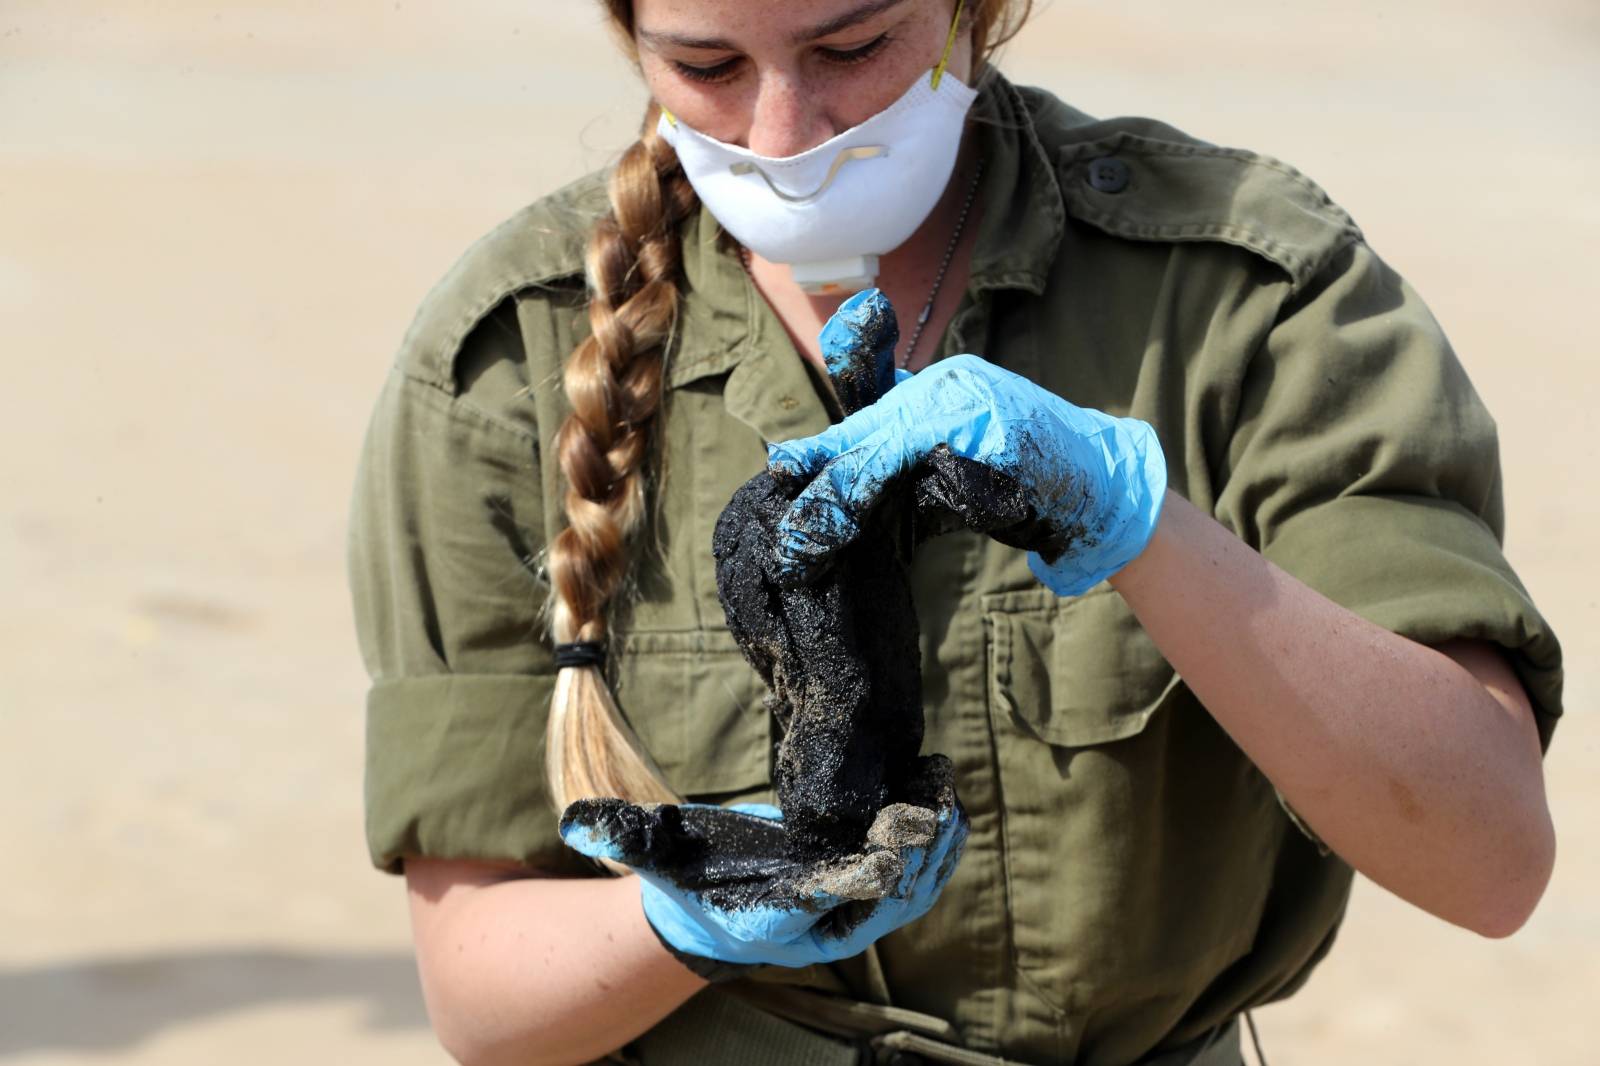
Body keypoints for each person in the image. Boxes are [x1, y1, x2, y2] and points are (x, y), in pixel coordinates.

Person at [345, 2, 1565, 1064]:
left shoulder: (1245, 290)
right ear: (627, 38)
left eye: (854, 44)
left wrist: (1135, 524)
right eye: (705, 66)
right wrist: (691, 917)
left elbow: (1487, 860)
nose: (783, 133)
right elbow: (480, 998)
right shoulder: (510, 361)